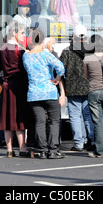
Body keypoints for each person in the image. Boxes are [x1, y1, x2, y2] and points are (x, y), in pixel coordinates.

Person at [22, 28, 66, 159]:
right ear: (42, 40)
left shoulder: (26, 56)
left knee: (39, 122)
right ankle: (53, 150)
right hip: (49, 91)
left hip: (34, 93)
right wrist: (57, 78)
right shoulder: (46, 55)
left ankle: (41, 150)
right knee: (54, 121)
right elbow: (61, 67)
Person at [0, 21, 33, 158]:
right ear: (14, 33)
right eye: (22, 33)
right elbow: (25, 69)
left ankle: (9, 150)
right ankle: (22, 148)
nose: (24, 35)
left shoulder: (2, 48)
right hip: (19, 85)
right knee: (19, 117)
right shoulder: (20, 50)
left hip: (6, 85)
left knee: (7, 117)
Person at [59, 24, 94, 152]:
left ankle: (79, 143)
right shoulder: (90, 51)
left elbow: (60, 69)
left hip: (72, 88)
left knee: (74, 115)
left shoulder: (67, 51)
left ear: (73, 36)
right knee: (87, 115)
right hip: (88, 86)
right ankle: (91, 139)